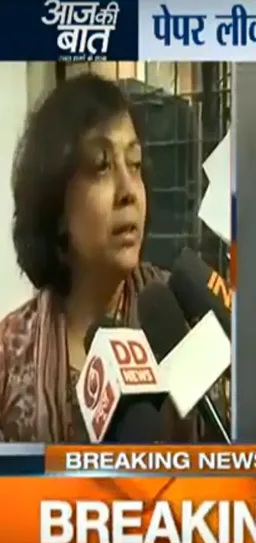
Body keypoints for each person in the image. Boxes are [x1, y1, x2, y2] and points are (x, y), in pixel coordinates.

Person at [0, 73, 193, 442]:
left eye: (134, 163)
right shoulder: (9, 355)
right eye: (101, 165)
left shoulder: (178, 319)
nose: (128, 191)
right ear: (56, 206)